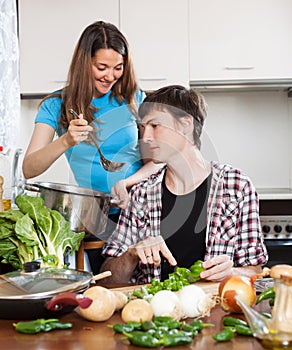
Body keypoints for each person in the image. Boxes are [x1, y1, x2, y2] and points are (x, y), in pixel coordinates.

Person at [22, 21, 160, 273]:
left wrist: (126, 184)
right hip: (94, 220)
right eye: (101, 67)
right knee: (105, 289)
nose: (110, 76)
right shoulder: (56, 105)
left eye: (118, 68)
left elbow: (158, 159)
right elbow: (29, 168)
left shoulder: (134, 98)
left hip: (141, 213)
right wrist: (66, 141)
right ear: (84, 63)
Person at [100, 85, 268, 284]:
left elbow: (255, 272)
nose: (145, 138)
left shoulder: (237, 187)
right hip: (153, 312)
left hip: (215, 310)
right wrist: (131, 254)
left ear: (186, 125)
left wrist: (231, 273)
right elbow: (106, 280)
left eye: (155, 126)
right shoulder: (141, 194)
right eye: (143, 128)